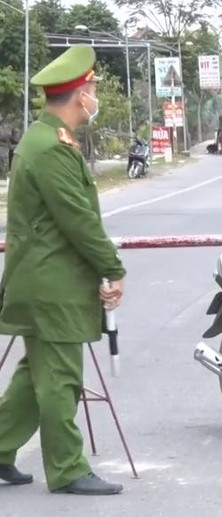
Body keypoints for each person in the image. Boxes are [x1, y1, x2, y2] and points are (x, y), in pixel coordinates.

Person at [0, 45, 126, 494]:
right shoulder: (50, 148)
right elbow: (79, 221)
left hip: (44, 278)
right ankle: (68, 468)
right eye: (92, 88)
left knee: (33, 377)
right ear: (78, 94)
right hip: (50, 282)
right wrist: (112, 268)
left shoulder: (47, 140)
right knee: (60, 380)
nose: (95, 96)